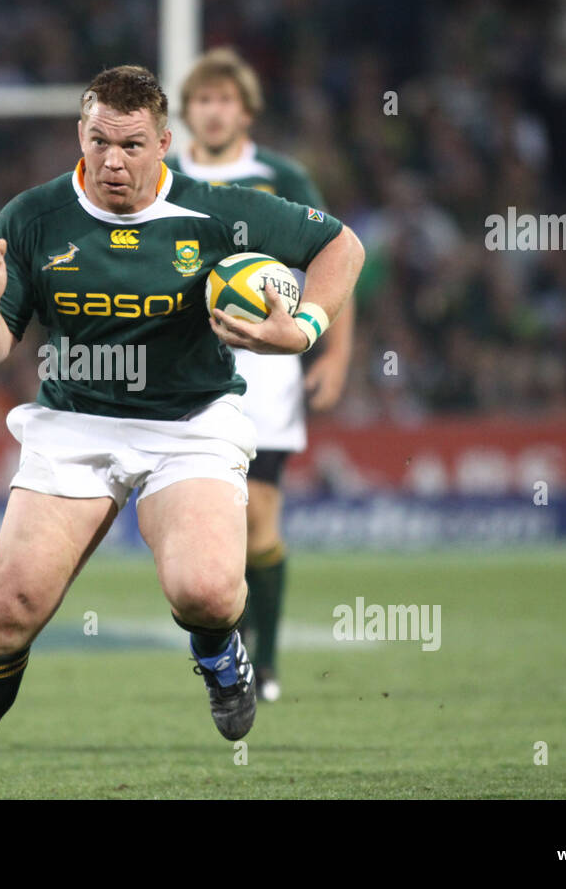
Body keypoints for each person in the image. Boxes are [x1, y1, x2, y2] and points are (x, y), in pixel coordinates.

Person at [0, 65, 364, 798]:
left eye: (131, 145)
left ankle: (221, 651)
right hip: (74, 423)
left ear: (164, 142)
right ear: (80, 137)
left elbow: (341, 245)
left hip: (189, 423)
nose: (113, 162)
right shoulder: (32, 217)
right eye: (99, 142)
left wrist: (306, 327)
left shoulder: (217, 211)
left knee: (209, 593)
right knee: (11, 610)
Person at [168, 48, 356, 701]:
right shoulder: (162, 177)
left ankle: (264, 662)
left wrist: (331, 353)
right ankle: (228, 648)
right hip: (186, 370)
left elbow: (336, 260)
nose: (214, 111)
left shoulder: (283, 176)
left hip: (269, 373)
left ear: (246, 110)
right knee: (204, 523)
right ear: (187, 111)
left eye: (226, 100)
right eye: (202, 100)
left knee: (260, 522)